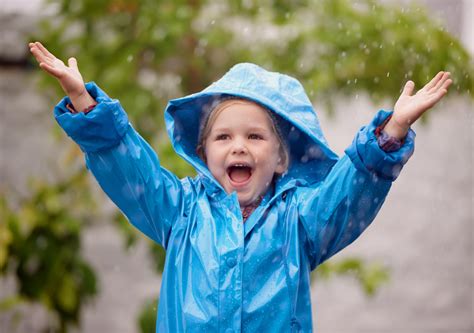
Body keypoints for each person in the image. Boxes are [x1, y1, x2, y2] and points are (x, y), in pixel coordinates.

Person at [29, 41, 451, 332]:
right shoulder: (180, 211)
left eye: (255, 136)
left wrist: (392, 130)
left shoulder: (299, 221)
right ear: (204, 152)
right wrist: (86, 106)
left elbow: (348, 191)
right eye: (224, 137)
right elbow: (130, 169)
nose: (239, 147)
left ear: (281, 158)